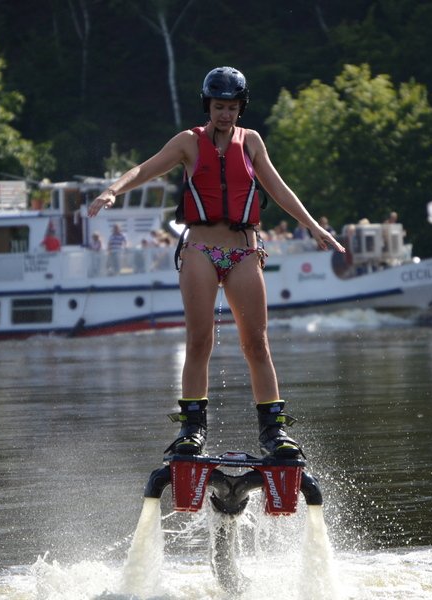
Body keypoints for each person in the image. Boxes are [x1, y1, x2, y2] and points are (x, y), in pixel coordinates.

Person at [88, 66, 345, 459]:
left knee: (256, 343)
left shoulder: (252, 142)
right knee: (199, 340)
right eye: (218, 106)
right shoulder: (188, 142)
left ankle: (273, 432)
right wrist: (112, 191)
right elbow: (145, 167)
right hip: (200, 251)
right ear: (207, 105)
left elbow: (277, 188)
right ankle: (192, 430)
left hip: (243, 250)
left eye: (232, 107)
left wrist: (312, 227)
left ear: (241, 108)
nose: (225, 114)